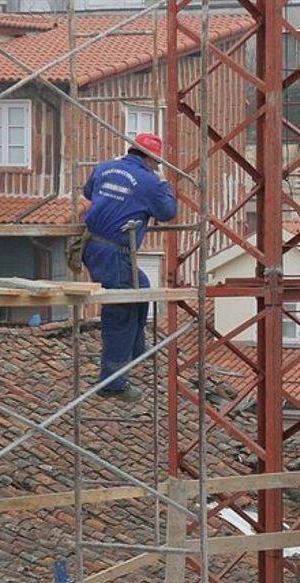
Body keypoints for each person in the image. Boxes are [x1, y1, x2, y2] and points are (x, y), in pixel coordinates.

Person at [80, 133, 178, 402]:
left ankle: (136, 350)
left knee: (141, 288)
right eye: (156, 162)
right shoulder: (150, 182)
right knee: (120, 311)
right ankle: (113, 382)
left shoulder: (104, 168)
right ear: (151, 159)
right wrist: (166, 187)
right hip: (115, 251)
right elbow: (168, 212)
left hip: (92, 247)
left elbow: (89, 192)